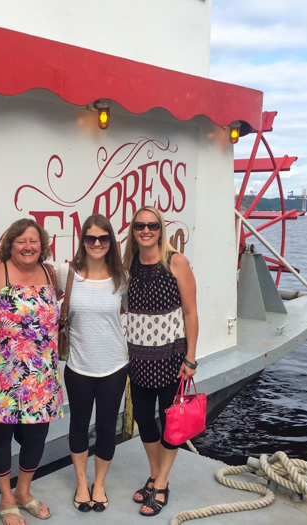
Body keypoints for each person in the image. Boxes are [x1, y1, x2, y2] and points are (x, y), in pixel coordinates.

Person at [122, 205, 199, 518]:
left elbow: (191, 313)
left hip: (170, 357)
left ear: (160, 229)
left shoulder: (175, 262)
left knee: (171, 422)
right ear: (133, 230)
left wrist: (190, 358)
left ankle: (162, 481)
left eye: (152, 225)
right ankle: (155, 474)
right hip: (139, 358)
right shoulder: (130, 263)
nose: (146, 231)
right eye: (140, 225)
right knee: (142, 417)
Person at [0, 218, 64, 525]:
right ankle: (6, 498)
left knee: (37, 434)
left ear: (42, 244)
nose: (28, 247)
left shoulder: (50, 272)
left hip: (43, 373)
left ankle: (23, 491)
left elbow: (95, 271)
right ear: (10, 244)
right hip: (6, 372)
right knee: (2, 435)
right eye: (21, 241)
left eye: (33, 241)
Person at [57, 214, 128, 513]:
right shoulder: (66, 273)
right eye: (91, 238)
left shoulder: (123, 278)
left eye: (103, 238)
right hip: (78, 365)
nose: (97, 243)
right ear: (83, 241)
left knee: (107, 426)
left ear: (110, 241)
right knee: (78, 424)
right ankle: (82, 483)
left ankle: (99, 483)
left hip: (114, 365)